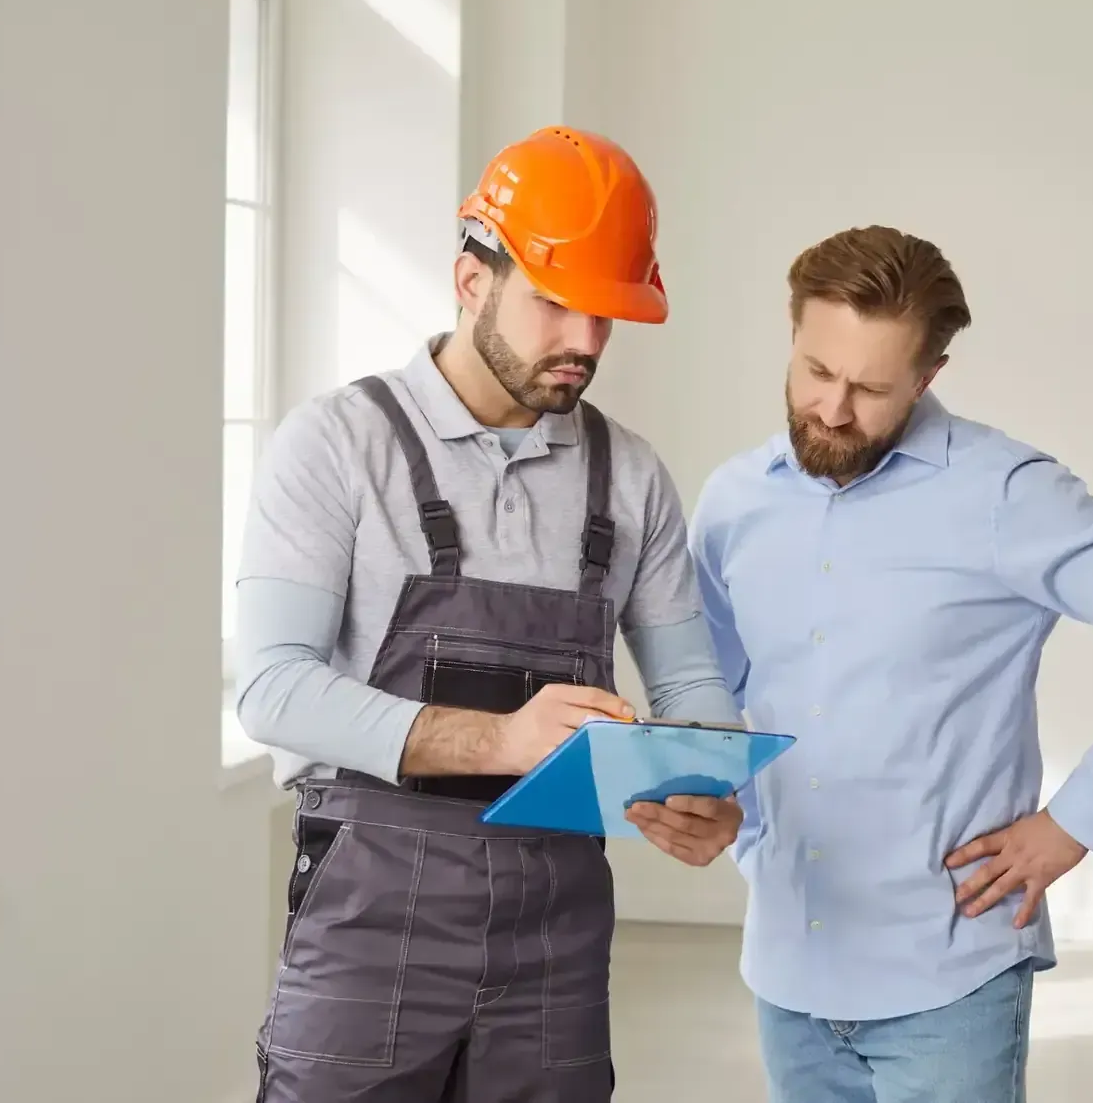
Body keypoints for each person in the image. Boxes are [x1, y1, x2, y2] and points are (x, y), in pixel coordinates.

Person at [234, 126, 744, 1102]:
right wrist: (499, 738)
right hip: (369, 920)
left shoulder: (627, 474)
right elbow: (273, 685)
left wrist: (706, 776)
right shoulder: (338, 445)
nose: (586, 343)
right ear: (471, 279)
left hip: (555, 936)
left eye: (606, 314)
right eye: (556, 304)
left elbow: (687, 682)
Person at [687, 225, 1093, 1103]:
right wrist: (733, 821)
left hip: (949, 981)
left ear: (927, 377)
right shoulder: (731, 502)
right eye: (815, 371)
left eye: (871, 388)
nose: (833, 410)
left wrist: (1073, 821)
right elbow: (715, 691)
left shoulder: (1003, 493)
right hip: (788, 972)